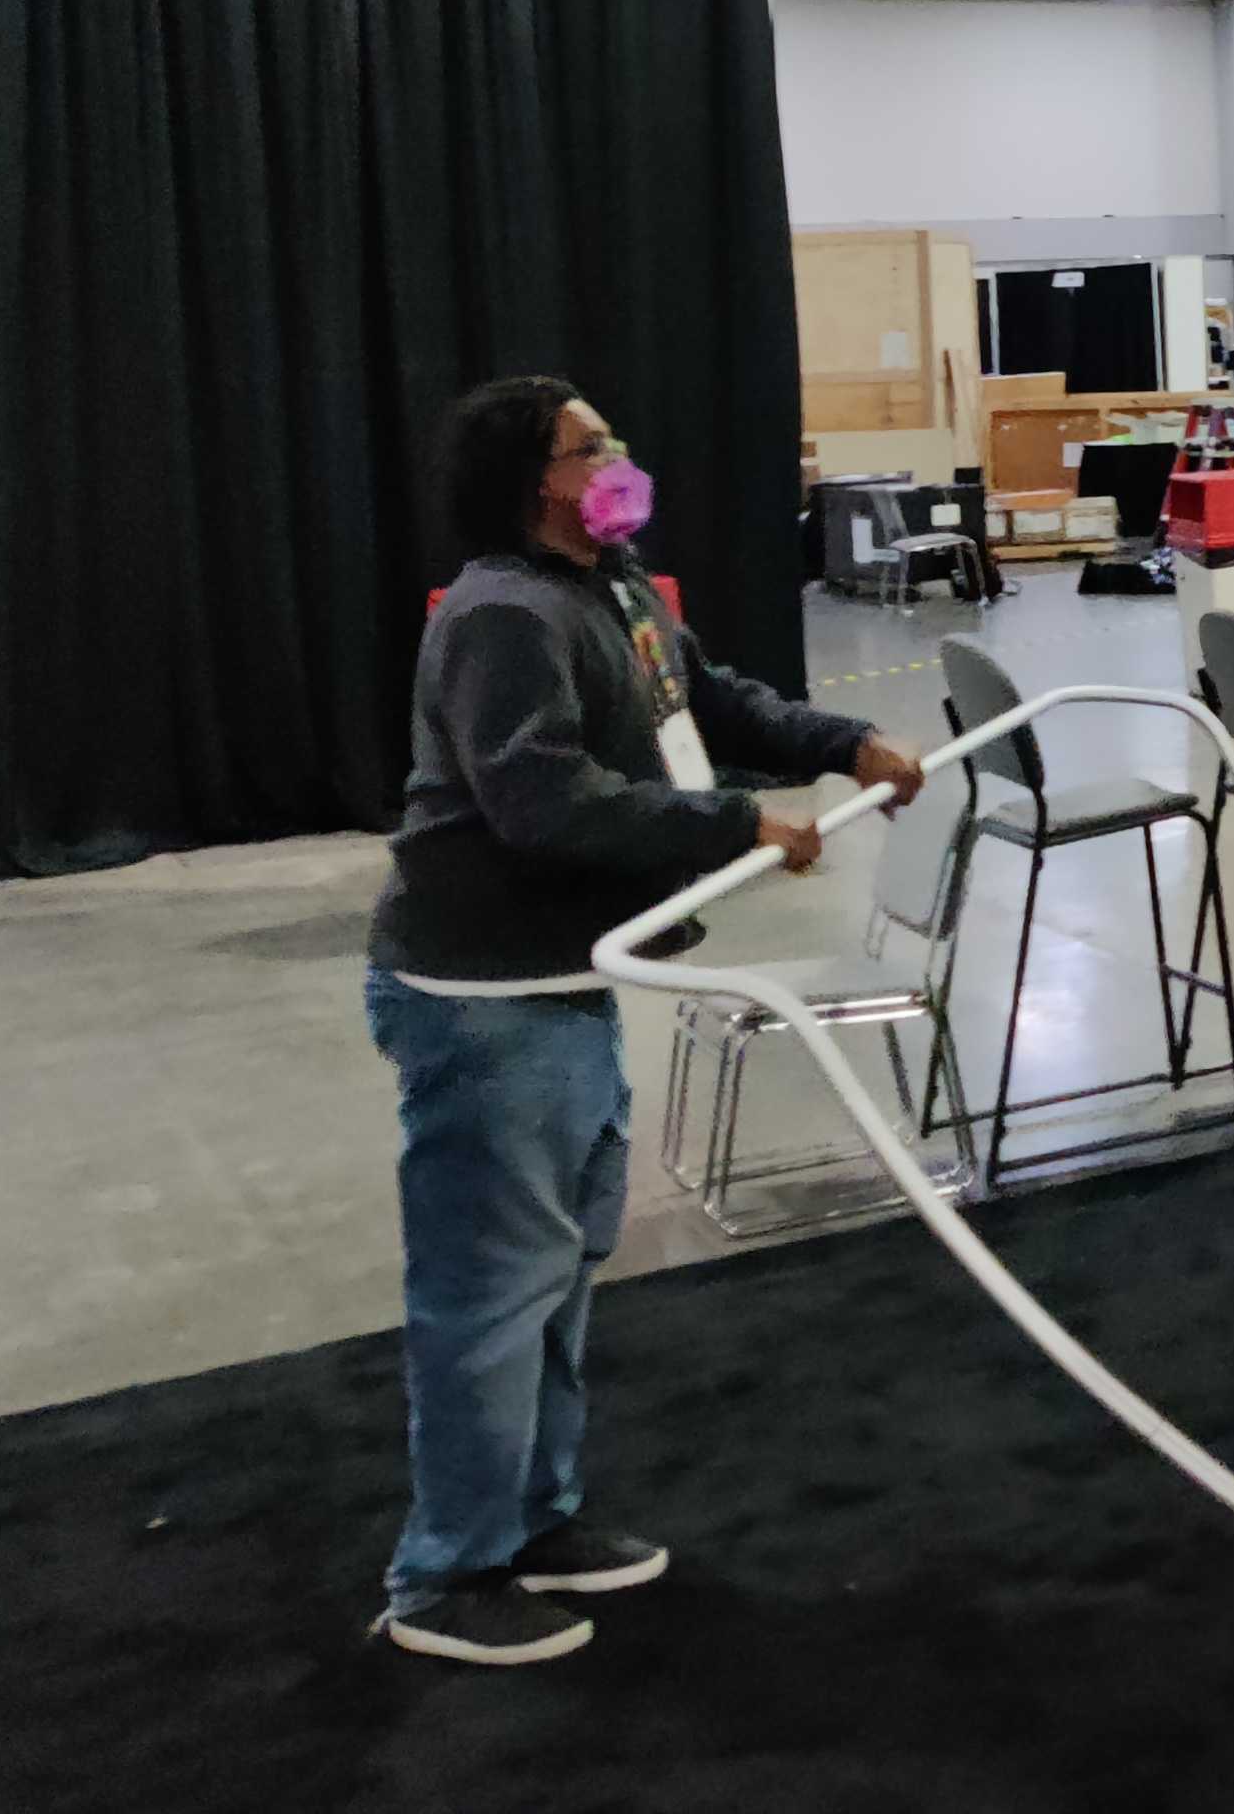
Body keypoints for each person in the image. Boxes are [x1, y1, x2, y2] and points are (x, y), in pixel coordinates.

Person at [364, 377, 925, 1666]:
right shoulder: (503, 616)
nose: (619, 458)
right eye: (590, 446)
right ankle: (445, 1579)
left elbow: (710, 704)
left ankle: (538, 1523)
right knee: (490, 1292)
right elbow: (543, 801)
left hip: (568, 983)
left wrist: (846, 743)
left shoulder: (611, 591)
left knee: (556, 1279)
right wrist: (736, 824)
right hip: (486, 1004)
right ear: (534, 481)